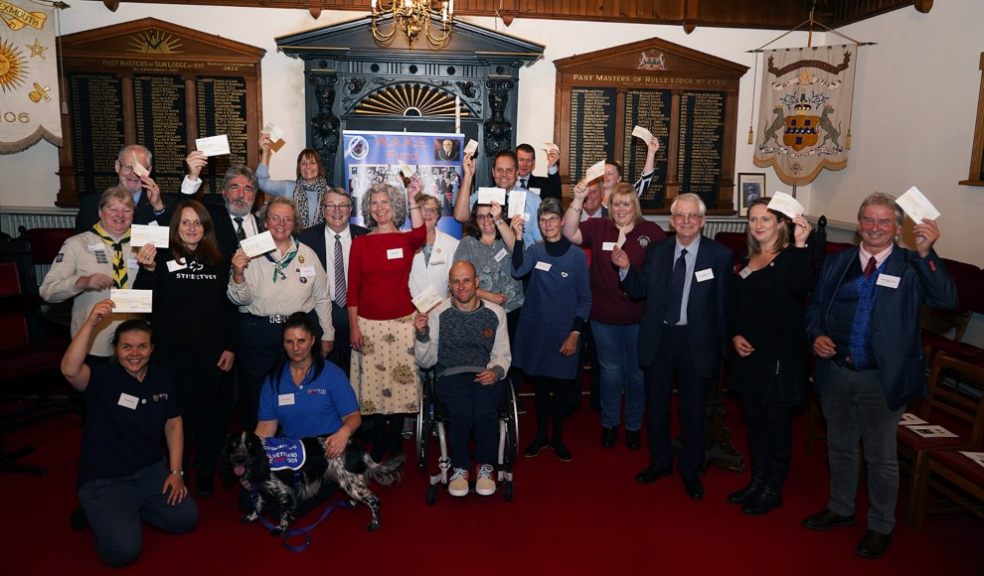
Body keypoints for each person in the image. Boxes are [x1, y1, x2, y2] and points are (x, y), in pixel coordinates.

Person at [801, 192, 956, 559]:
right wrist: (816, 336)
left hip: (881, 378)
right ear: (859, 225)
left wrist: (926, 253)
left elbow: (947, 301)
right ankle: (841, 507)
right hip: (837, 371)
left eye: (884, 221)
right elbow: (815, 310)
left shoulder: (911, 265)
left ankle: (881, 525)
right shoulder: (837, 263)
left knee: (880, 457)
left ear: (897, 227)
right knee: (839, 445)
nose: (875, 228)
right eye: (868, 220)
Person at [62, 300, 198, 567]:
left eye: (142, 346)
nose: (134, 353)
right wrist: (90, 322)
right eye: (126, 346)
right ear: (116, 349)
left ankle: (126, 511)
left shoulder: (162, 376)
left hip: (150, 471)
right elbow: (69, 369)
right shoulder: (102, 378)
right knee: (124, 553)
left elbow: (174, 423)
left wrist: (176, 471)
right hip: (106, 479)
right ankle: (98, 510)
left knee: (186, 519)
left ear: (152, 349)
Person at [614, 192, 731, 501]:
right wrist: (625, 268)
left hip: (698, 343)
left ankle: (691, 470)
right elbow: (639, 290)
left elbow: (722, 308)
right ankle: (660, 462)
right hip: (660, 339)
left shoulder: (719, 256)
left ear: (703, 221)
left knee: (693, 411)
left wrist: (722, 351)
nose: (686, 222)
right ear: (672, 221)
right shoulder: (658, 251)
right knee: (657, 408)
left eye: (693, 216)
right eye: (680, 216)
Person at [133, 200, 238, 497]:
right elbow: (143, 304)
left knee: (209, 418)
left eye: (197, 223)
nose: (191, 229)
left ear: (205, 227)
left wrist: (231, 347)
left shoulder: (220, 261)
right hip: (170, 356)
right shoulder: (162, 259)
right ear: (176, 228)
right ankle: (177, 471)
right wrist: (149, 271)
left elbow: (230, 308)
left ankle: (205, 472)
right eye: (185, 223)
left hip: (211, 357)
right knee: (176, 418)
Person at [563, 180, 666, 450]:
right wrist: (577, 199)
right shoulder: (599, 227)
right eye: (617, 203)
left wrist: (630, 267)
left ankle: (633, 426)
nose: (621, 208)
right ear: (610, 205)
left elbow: (661, 272)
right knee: (610, 373)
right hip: (603, 316)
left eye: (627, 203)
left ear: (635, 205)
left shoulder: (651, 232)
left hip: (639, 317)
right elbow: (568, 232)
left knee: (636, 374)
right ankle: (610, 424)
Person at [727, 199, 813, 515]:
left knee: (776, 425)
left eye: (765, 219)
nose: (758, 225)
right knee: (754, 424)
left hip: (781, 358)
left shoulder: (792, 257)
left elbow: (801, 288)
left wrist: (802, 245)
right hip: (749, 357)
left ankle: (772, 489)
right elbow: (734, 305)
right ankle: (757, 481)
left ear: (780, 223)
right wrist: (734, 335)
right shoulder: (749, 258)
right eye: (753, 220)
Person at [228, 197, 334, 431]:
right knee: (255, 393)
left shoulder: (307, 254)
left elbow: (322, 297)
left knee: (297, 392)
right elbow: (239, 299)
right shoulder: (248, 251)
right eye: (275, 217)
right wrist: (238, 274)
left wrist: (327, 333)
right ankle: (256, 450)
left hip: (297, 335)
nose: (281, 223)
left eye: (287, 219)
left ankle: (294, 450)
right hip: (258, 333)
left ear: (294, 223)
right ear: (266, 221)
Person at [414, 261, 511, 496]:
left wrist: (496, 371)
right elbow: (426, 362)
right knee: (462, 410)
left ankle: (486, 466)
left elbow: (502, 354)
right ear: (449, 286)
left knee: (485, 410)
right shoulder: (438, 314)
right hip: (450, 375)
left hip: (484, 373)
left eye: (466, 280)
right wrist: (422, 335)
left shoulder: (495, 313)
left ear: (476, 282)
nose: (461, 286)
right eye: (456, 281)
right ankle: (460, 467)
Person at [348, 180, 425, 462]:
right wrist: (354, 326)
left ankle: (394, 442)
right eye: (374, 203)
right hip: (368, 324)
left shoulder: (406, 240)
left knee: (401, 386)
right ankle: (380, 440)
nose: (380, 208)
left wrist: (413, 196)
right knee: (373, 387)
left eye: (385, 202)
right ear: (368, 209)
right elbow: (353, 289)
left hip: (404, 323)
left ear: (395, 206)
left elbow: (421, 233)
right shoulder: (360, 243)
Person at [512, 198, 591, 462]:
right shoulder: (535, 250)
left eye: (552, 219)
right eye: (543, 220)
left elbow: (585, 299)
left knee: (561, 390)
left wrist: (575, 334)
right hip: (536, 332)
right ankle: (540, 437)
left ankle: (557, 437)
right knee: (541, 388)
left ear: (562, 221)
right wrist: (518, 238)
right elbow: (517, 270)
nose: (547, 224)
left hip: (564, 334)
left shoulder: (577, 256)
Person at [41, 186, 142, 360]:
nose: (120, 215)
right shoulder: (76, 244)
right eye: (113, 209)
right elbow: (47, 292)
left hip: (137, 342)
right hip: (94, 341)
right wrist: (82, 282)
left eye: (127, 210)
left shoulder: (145, 245)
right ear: (100, 212)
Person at [452, 201, 524, 406]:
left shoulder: (508, 237)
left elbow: (516, 249)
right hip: (482, 310)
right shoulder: (468, 243)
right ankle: (489, 396)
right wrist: (488, 296)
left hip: (513, 308)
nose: (486, 221)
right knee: (487, 356)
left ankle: (511, 399)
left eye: (490, 215)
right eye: (481, 216)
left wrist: (500, 221)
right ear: (475, 220)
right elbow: (459, 277)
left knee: (513, 355)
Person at [256, 312, 360, 450]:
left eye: (301, 340)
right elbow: (266, 427)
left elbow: (353, 417)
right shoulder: (273, 380)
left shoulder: (333, 374)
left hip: (329, 449)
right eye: (289, 342)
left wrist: (343, 434)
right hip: (292, 452)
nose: (295, 348)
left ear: (312, 340)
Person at [298, 187, 369, 376]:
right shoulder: (305, 239)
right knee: (321, 379)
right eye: (330, 205)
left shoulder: (366, 237)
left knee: (357, 378)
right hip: (319, 321)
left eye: (342, 205)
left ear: (350, 209)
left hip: (359, 319)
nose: (336, 211)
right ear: (323, 210)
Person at [453, 149, 542, 248]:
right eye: (499, 170)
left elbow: (540, 242)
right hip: (487, 258)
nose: (504, 174)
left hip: (524, 259)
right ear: (493, 172)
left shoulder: (533, 201)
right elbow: (460, 216)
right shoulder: (483, 195)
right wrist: (468, 176)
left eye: (509, 170)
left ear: (517, 173)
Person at [183, 158, 264, 261]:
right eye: (234, 187)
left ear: (255, 195)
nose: (241, 195)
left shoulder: (265, 226)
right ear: (224, 192)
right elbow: (184, 208)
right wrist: (193, 176)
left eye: (247, 189)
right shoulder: (209, 218)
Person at [75, 144, 168, 233]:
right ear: (117, 166)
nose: (134, 174)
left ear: (149, 170)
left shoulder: (164, 205)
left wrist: (157, 208)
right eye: (129, 167)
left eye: (140, 169)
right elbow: (81, 244)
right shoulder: (91, 204)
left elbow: (171, 242)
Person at [256, 135, 332, 229]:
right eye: (303, 163)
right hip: (292, 241)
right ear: (299, 168)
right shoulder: (288, 187)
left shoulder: (329, 192)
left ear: (319, 167)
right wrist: (265, 153)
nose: (308, 167)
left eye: (312, 163)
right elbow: (261, 183)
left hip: (319, 241)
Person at [409, 192, 460, 300]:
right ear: (416, 213)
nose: (428, 214)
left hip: (441, 310)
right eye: (424, 209)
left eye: (433, 210)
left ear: (438, 215)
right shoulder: (403, 242)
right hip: (410, 311)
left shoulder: (453, 244)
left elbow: (456, 283)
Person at [601, 135, 660, 208]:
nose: (605, 176)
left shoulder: (627, 194)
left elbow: (645, 181)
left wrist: (651, 152)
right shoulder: (590, 196)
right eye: (602, 173)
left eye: (610, 173)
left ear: (619, 179)